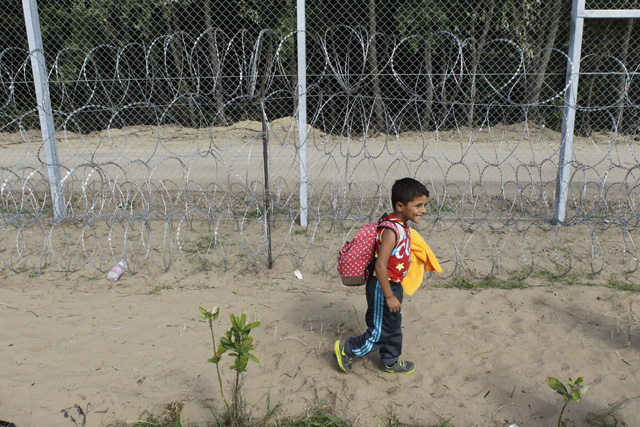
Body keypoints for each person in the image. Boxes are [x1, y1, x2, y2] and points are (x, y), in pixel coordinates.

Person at [334, 177, 429, 374]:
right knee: (380, 330)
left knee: (393, 325)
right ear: (400, 206)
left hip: (394, 284)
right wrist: (388, 295)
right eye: (418, 205)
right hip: (381, 286)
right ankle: (348, 348)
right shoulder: (391, 231)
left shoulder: (401, 226)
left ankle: (390, 360)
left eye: (425, 205)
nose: (423, 210)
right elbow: (380, 265)